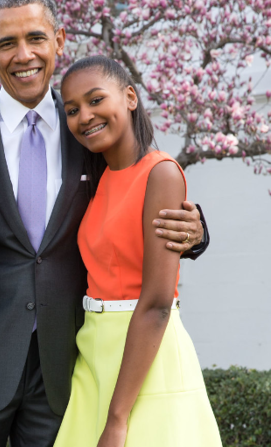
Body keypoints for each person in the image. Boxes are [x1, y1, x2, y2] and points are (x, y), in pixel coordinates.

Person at [0, 0, 210, 447]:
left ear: (59, 41)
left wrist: (196, 231)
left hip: (67, 360)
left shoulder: (90, 132)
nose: (23, 54)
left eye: (35, 38)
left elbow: (140, 187)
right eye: (7, 43)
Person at [53, 55, 222, 446]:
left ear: (130, 97)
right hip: (93, 354)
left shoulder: (160, 173)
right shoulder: (97, 180)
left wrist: (117, 418)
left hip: (146, 355)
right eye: (73, 109)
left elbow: (159, 302)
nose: (84, 116)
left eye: (96, 100)